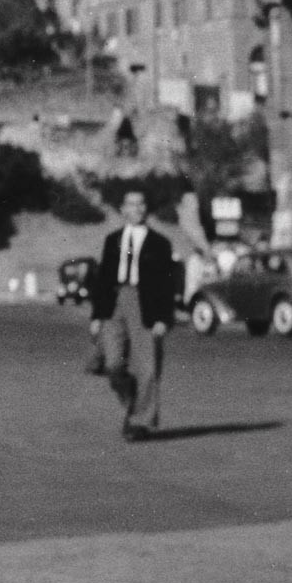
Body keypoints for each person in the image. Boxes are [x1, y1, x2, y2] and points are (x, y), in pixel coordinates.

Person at [87, 187, 179, 440]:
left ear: (146, 209)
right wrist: (96, 316)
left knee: (146, 366)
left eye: (141, 204)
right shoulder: (112, 239)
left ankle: (139, 421)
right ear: (122, 210)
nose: (136, 209)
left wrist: (163, 318)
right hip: (114, 302)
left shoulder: (160, 243)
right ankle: (131, 397)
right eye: (131, 204)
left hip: (145, 303)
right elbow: (103, 279)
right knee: (113, 363)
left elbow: (167, 283)